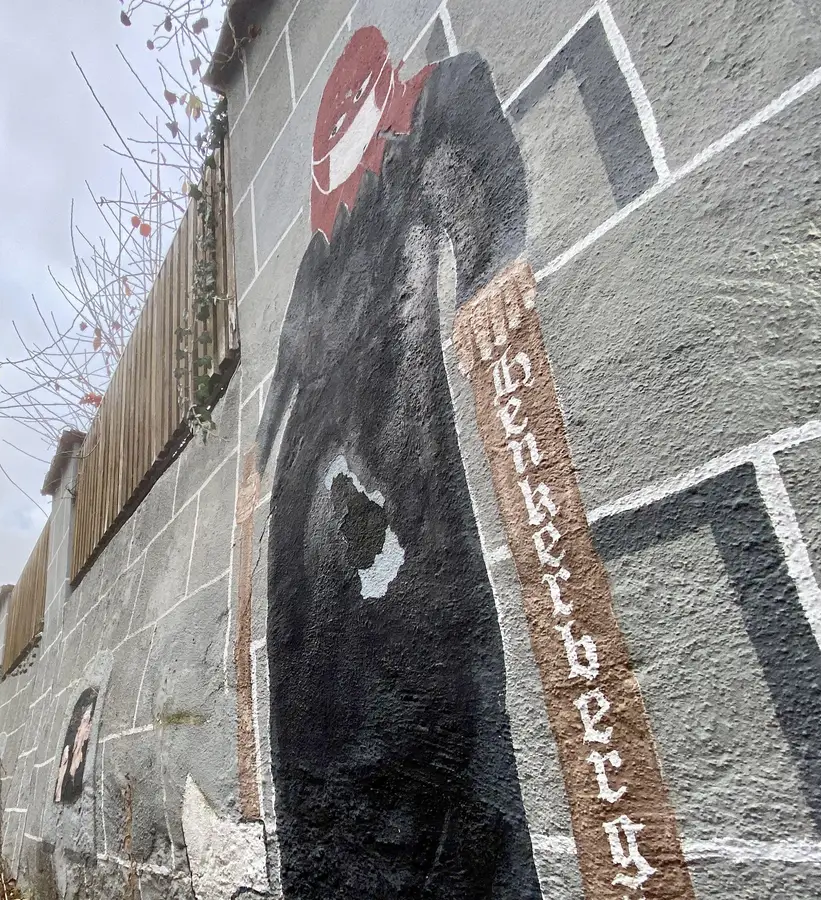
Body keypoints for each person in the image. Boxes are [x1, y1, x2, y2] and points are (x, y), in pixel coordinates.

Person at [255, 25, 542, 898]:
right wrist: (256, 469)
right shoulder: (312, 262)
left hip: (404, 453)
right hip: (306, 518)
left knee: (433, 687)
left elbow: (487, 203)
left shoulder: (430, 104)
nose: (339, 133)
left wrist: (493, 276)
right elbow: (280, 389)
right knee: (317, 711)